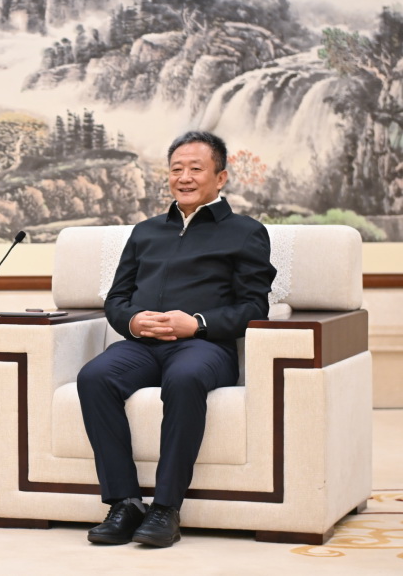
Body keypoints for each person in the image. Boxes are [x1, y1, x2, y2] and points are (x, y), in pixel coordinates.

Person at [76, 131, 276, 548]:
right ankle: (125, 503)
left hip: (206, 348)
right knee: (95, 376)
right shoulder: (146, 232)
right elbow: (116, 299)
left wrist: (197, 324)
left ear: (220, 177)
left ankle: (166, 508)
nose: (184, 178)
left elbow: (254, 308)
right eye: (176, 169)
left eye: (196, 169)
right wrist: (134, 321)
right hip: (143, 346)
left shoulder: (245, 232)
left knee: (184, 378)